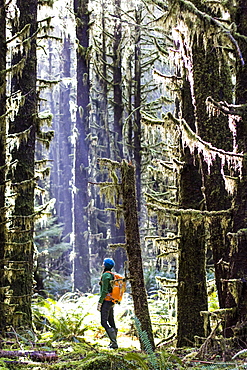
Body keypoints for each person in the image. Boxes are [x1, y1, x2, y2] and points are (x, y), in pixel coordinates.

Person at [97, 258, 118, 349]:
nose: (102, 265)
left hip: (106, 301)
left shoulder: (106, 276)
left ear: (105, 266)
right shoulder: (111, 275)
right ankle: (113, 342)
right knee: (111, 321)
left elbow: (104, 291)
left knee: (104, 322)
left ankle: (114, 343)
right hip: (111, 301)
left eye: (103, 264)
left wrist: (100, 303)